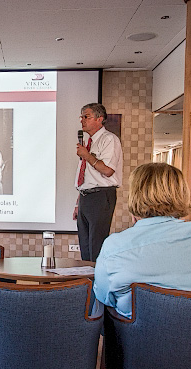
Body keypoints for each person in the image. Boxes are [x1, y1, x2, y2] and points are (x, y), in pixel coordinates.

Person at [92, 163, 191, 319]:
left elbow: (104, 297)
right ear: (182, 195)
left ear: (134, 197)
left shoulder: (115, 245)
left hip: (140, 340)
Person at [73, 103, 123, 261]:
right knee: (85, 246)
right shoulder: (89, 142)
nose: (82, 120)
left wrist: (87, 156)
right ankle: (87, 283)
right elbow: (87, 176)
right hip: (86, 197)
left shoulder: (109, 139)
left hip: (101, 196)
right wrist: (78, 201)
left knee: (97, 245)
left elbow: (108, 170)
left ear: (100, 119)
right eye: (81, 117)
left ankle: (97, 282)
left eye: (86, 116)